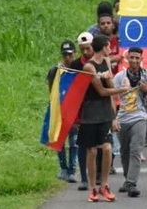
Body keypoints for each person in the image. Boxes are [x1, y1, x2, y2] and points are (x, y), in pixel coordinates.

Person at [78, 35, 125, 202]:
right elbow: (101, 91)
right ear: (103, 47)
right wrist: (122, 90)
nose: (110, 49)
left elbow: (110, 87)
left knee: (106, 148)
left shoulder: (106, 61)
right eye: (108, 46)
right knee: (91, 150)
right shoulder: (89, 66)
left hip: (105, 111)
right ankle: (92, 188)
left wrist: (110, 80)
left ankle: (105, 185)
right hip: (90, 112)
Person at [113, 47, 147, 198]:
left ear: (141, 59)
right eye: (131, 57)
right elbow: (112, 98)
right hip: (123, 118)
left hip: (140, 117)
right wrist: (114, 118)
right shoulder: (119, 77)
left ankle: (132, 183)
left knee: (135, 150)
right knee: (124, 152)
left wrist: (146, 90)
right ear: (127, 59)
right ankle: (127, 180)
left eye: (137, 58)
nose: (134, 61)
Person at [46, 40, 78, 184]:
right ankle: (63, 168)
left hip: (74, 110)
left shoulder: (79, 69)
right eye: (65, 54)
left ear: (74, 54)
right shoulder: (55, 70)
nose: (67, 57)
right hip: (59, 110)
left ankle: (72, 170)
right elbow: (51, 90)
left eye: (70, 54)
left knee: (73, 142)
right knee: (59, 141)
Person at [69, 32, 95, 191]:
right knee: (83, 143)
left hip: (98, 106)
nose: (85, 52)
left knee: (99, 145)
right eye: (82, 49)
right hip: (82, 109)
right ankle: (84, 179)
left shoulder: (98, 62)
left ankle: (97, 175)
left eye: (88, 49)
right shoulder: (75, 65)